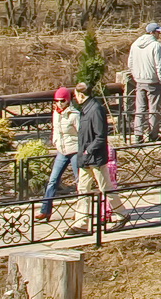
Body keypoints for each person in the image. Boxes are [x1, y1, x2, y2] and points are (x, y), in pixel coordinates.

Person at [68, 82, 127, 231]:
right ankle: (81, 224)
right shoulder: (86, 109)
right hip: (86, 158)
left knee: (105, 188)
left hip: (95, 158)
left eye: (76, 95)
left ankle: (122, 214)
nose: (75, 98)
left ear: (81, 95)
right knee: (83, 189)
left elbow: (100, 136)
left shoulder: (95, 109)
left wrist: (89, 150)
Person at [36, 87, 80, 222]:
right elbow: (55, 129)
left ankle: (81, 212)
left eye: (62, 101)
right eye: (57, 101)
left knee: (80, 182)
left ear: (67, 101)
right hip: (62, 150)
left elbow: (82, 133)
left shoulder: (74, 114)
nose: (59, 103)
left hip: (74, 149)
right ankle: (45, 210)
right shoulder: (56, 113)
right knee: (52, 181)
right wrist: (55, 141)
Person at [127, 22, 161, 143]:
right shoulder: (156, 46)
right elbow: (160, 65)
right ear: (152, 32)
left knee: (139, 108)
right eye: (158, 32)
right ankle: (153, 135)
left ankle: (137, 135)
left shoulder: (135, 44)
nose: (159, 34)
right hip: (153, 81)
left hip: (139, 80)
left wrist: (135, 74)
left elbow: (130, 63)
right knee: (153, 109)